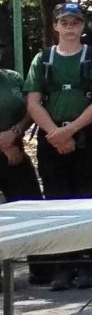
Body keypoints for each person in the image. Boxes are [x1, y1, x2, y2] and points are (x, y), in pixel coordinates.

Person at [26, 3, 92, 283]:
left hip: (85, 138)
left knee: (85, 200)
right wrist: (55, 133)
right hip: (51, 140)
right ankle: (62, 265)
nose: (70, 28)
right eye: (64, 23)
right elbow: (33, 102)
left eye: (75, 22)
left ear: (82, 26)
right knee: (57, 202)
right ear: (55, 26)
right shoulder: (43, 59)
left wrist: (71, 131)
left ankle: (86, 262)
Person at [0, 54, 36, 203]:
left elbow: (32, 110)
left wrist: (16, 131)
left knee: (32, 205)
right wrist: (3, 146)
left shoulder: (13, 78)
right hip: (9, 150)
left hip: (16, 153)